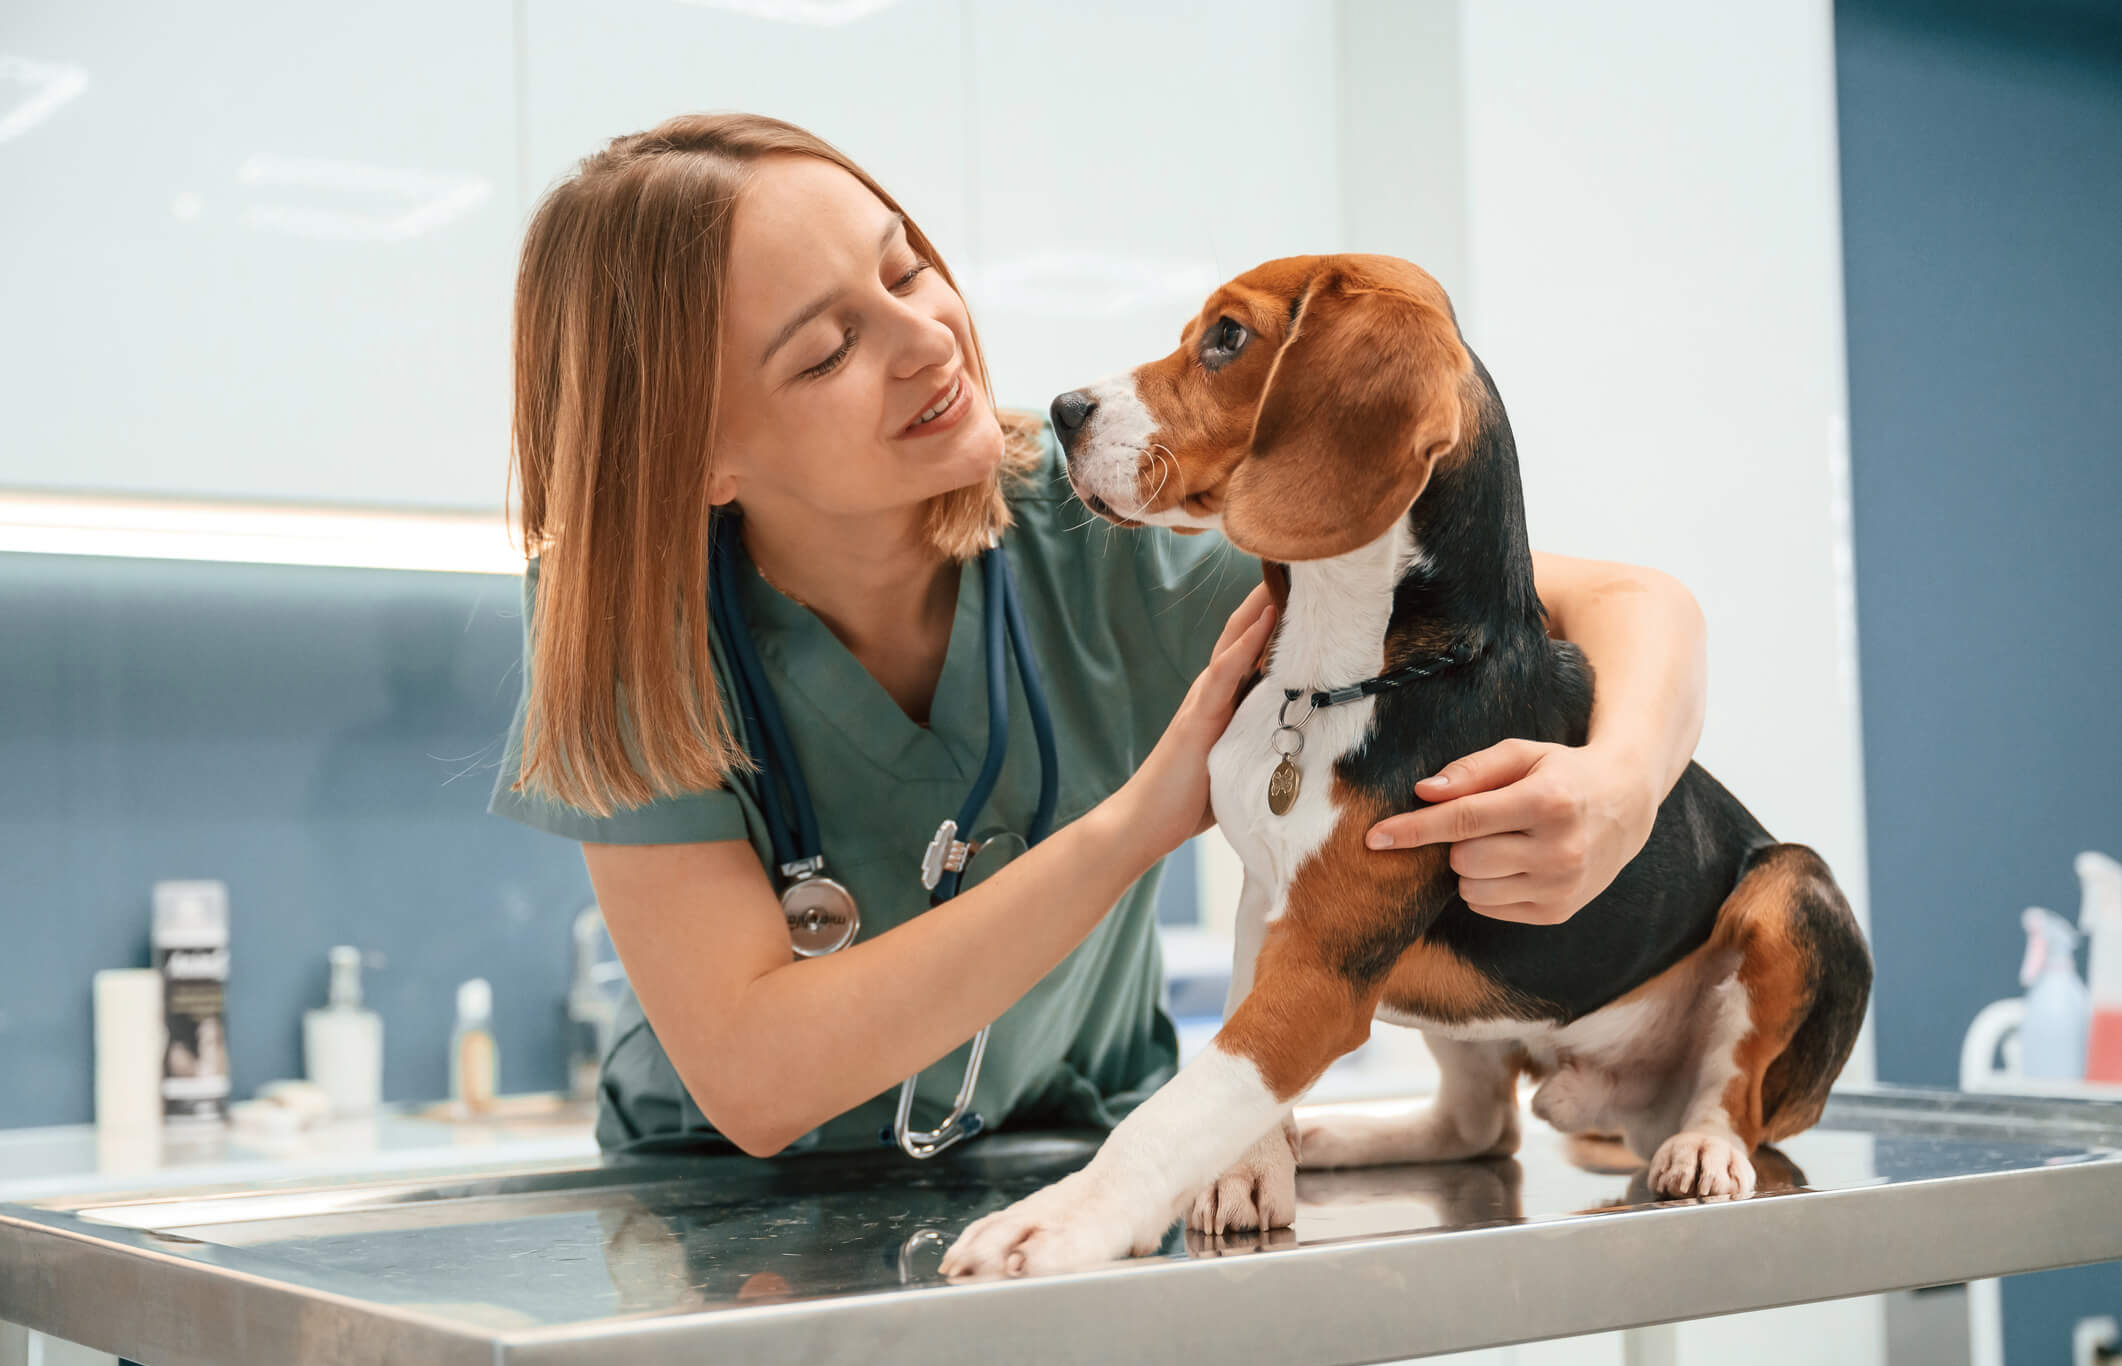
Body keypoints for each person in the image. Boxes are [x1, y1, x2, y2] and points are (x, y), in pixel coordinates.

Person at [489, 113, 1708, 1162]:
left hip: (1068, 1175)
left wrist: (1616, 783)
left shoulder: (1101, 525)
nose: (927, 338)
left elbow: (1624, 602)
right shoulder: (626, 622)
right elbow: (758, 1079)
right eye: (827, 349)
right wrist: (1141, 821)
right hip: (725, 1231)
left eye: (905, 270)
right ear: (694, 455)